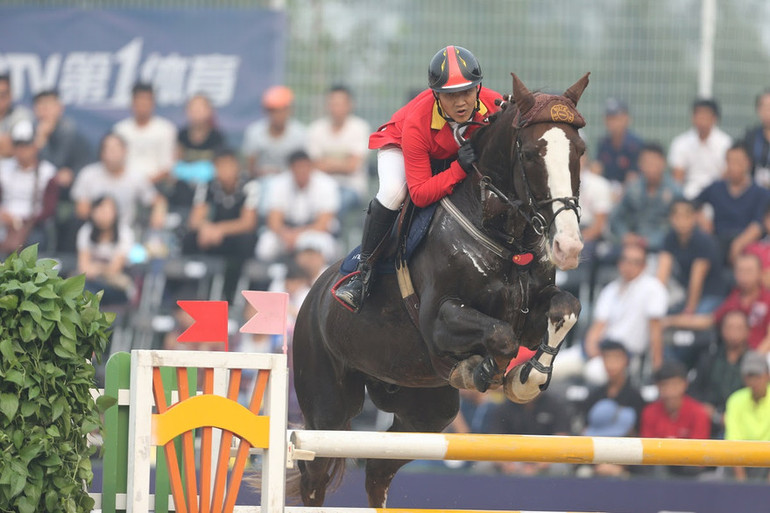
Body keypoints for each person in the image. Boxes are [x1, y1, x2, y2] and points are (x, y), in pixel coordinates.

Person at [334, 46, 502, 312]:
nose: (461, 103)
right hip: (401, 144)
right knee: (393, 193)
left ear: (478, 89)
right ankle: (363, 273)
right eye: (450, 95)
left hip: (448, 153)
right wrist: (459, 168)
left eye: (467, 92)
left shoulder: (495, 105)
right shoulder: (417, 121)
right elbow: (421, 193)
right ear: (436, 94)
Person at [584, 242, 668, 377]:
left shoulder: (654, 288)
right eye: (625, 260)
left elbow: (655, 331)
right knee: (549, 367)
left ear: (644, 265)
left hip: (626, 355)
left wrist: (657, 369)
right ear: (619, 262)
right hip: (600, 351)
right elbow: (598, 326)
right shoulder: (610, 289)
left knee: (594, 372)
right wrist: (592, 350)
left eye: (636, 262)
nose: (629, 266)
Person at [183, 148, 259, 298]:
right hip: (212, 237)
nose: (224, 171)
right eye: (219, 166)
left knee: (247, 240)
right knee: (189, 238)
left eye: (228, 165)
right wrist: (206, 228)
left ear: (237, 166)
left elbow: (248, 222)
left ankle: (233, 293)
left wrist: (220, 229)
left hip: (234, 236)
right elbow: (195, 219)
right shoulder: (207, 186)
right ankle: (191, 289)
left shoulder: (249, 186)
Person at [666, 253, 770, 353]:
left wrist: (756, 358)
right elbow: (709, 320)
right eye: (740, 271)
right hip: (734, 358)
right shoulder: (734, 297)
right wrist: (671, 321)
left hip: (761, 359)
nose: (744, 276)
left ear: (760, 273)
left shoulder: (767, 299)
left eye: (749, 271)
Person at [32, 89, 92, 251]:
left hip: (65, 198)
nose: (45, 110)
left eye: (49, 105)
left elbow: (56, 168)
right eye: (41, 106)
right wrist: (40, 140)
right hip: (32, 199)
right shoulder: (28, 133)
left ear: (60, 108)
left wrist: (73, 174)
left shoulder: (70, 132)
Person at [255, 150, 340, 263]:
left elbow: (323, 223)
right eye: (298, 167)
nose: (302, 171)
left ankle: (318, 278)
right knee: (265, 246)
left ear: (311, 167)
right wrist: (286, 234)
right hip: (285, 231)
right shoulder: (278, 183)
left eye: (305, 167)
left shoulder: (326, 183)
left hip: (313, 232)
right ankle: (274, 276)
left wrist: (298, 235)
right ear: (291, 168)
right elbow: (274, 220)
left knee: (325, 247)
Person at [71, 133, 166, 232]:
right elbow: (81, 210)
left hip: (125, 233)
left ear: (125, 151)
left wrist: (159, 212)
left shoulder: (136, 177)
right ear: (101, 153)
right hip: (93, 232)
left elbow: (158, 200)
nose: (112, 153)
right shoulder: (88, 174)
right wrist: (104, 215)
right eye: (107, 149)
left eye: (115, 149)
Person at [695, 143, 770, 264]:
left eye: (738, 161)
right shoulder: (716, 188)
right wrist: (702, 219)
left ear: (748, 163)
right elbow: (692, 204)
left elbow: (759, 224)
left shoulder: (761, 193)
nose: (733, 166)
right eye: (729, 161)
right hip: (717, 241)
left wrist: (739, 244)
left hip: (748, 245)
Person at [640, 361, 711, 477]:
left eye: (675, 385)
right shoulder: (650, 412)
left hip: (690, 473)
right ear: (658, 386)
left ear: (685, 384)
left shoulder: (698, 412)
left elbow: (699, 456)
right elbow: (647, 453)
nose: (670, 392)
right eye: (664, 385)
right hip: (657, 473)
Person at [307, 85, 370, 214]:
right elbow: (313, 166)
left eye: (340, 104)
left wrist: (326, 162)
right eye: (333, 103)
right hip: (319, 186)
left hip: (351, 187)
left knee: (336, 204)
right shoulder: (315, 129)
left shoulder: (360, 128)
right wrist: (343, 163)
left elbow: (352, 166)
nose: (336, 108)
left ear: (350, 105)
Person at [656, 199, 726, 315]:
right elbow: (662, 274)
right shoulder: (670, 238)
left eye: (686, 216)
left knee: (693, 318)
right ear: (671, 218)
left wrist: (689, 309)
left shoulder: (704, 241)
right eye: (677, 217)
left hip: (710, 294)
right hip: (684, 292)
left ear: (694, 217)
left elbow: (696, 280)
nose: (681, 221)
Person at [609, 143, 682, 253]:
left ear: (663, 163)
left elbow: (678, 224)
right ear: (640, 164)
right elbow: (616, 218)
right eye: (646, 162)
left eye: (654, 162)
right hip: (631, 244)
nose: (650, 166)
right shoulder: (632, 188)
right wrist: (625, 235)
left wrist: (649, 241)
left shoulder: (675, 191)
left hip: (663, 248)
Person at [689, 310, 752, 436]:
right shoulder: (709, 358)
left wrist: (731, 417)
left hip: (744, 424)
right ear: (721, 330)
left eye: (739, 328)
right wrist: (709, 411)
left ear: (748, 331)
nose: (734, 333)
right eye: (729, 327)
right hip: (709, 421)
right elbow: (694, 392)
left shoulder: (754, 363)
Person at [0, 120, 58, 253]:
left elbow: (49, 210)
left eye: (26, 145)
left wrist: (20, 221)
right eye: (18, 145)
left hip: (33, 226)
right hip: (4, 221)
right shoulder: (3, 168)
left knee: (35, 241)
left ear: (35, 146)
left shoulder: (48, 173)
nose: (22, 150)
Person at [113, 82, 177, 184]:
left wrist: (144, 185)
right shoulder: (120, 130)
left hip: (156, 184)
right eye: (139, 100)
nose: (143, 104)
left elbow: (167, 166)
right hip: (124, 184)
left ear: (153, 103)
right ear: (132, 102)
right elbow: (115, 163)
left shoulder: (166, 129)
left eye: (147, 100)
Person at [668, 98, 731, 199]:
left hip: (717, 195)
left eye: (706, 114)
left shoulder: (726, 143)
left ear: (715, 118)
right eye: (698, 114)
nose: (702, 118)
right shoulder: (681, 142)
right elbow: (678, 177)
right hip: (688, 193)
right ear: (692, 117)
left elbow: (726, 175)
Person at [78, 195, 135, 306]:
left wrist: (95, 268)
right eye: (99, 210)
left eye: (107, 211)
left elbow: (114, 269)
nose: (103, 215)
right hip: (90, 283)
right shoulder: (86, 231)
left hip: (116, 287)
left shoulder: (125, 233)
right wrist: (102, 268)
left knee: (90, 293)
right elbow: (83, 268)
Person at [171, 94, 227, 207]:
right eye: (193, 109)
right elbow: (177, 160)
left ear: (210, 111)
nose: (197, 112)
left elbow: (221, 164)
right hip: (185, 184)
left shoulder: (216, 136)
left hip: (209, 184)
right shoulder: (182, 135)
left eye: (201, 108)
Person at [242, 85, 307, 179]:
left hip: (291, 183)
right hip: (260, 181)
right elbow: (250, 166)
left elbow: (302, 166)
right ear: (265, 111)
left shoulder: (300, 134)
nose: (278, 115)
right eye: (273, 111)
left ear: (290, 110)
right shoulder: (254, 133)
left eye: (282, 110)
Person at [724, 351, 770, 481]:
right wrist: (742, 484)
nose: (753, 381)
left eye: (757, 376)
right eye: (750, 376)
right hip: (740, 459)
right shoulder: (735, 400)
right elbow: (733, 441)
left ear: (767, 375)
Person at [582, 340, 646, 431]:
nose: (611, 364)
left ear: (626, 360)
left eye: (616, 358)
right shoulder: (594, 395)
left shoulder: (635, 397)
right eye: (607, 358)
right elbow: (586, 427)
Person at [595, 97, 643, 186]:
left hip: (629, 192)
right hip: (607, 188)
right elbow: (597, 169)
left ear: (627, 119)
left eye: (616, 118)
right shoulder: (603, 143)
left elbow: (634, 176)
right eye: (609, 118)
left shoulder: (635, 145)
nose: (612, 123)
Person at [0, 73, 33, 158]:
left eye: (3, 95)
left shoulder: (21, 115)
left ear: (10, 95)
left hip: (14, 168)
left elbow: (15, 148)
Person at [742, 89, 770, 188]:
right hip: (753, 190)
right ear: (758, 110)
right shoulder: (751, 136)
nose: (768, 112)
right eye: (765, 107)